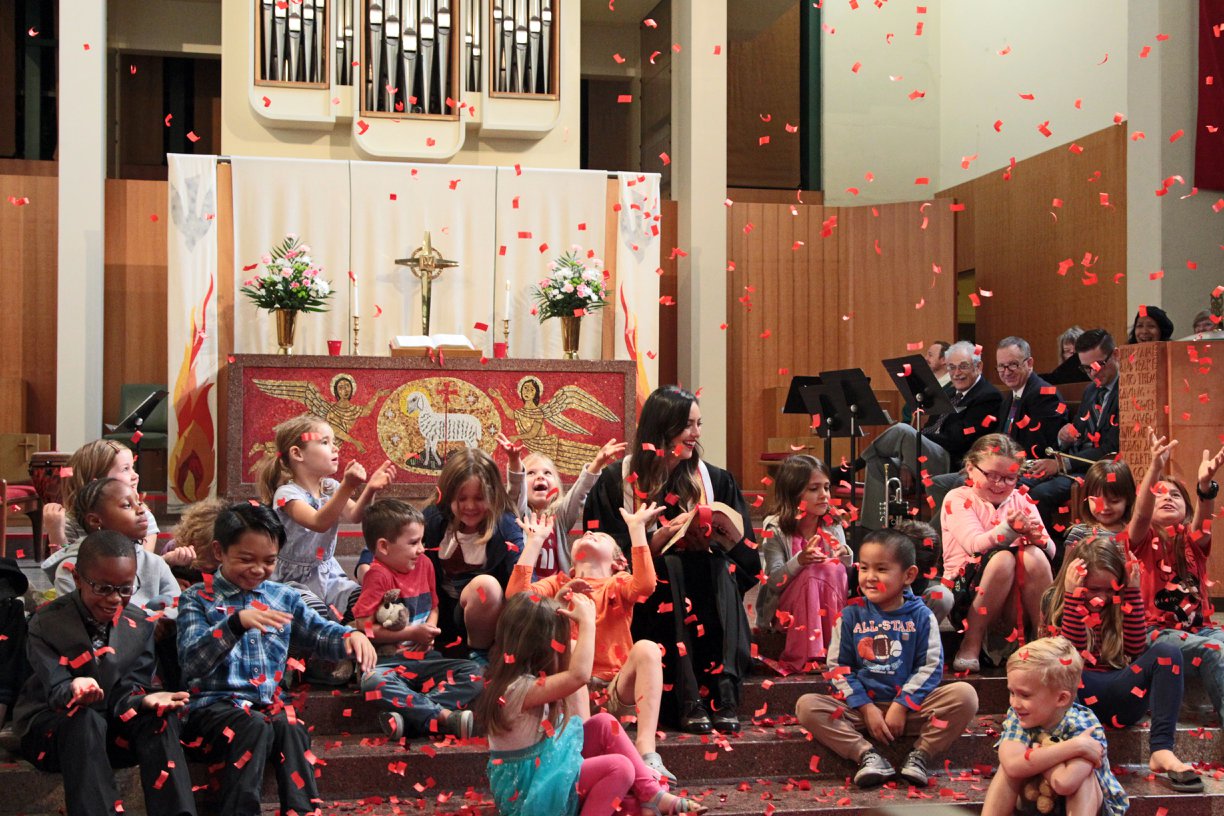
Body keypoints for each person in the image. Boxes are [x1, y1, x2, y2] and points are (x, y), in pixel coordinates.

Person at [177, 502, 377, 816]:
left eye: (269, 561)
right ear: (219, 551)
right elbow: (192, 661)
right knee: (252, 725)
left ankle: (302, 811)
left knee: (292, 726)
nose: (258, 570)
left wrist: (352, 637)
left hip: (266, 704)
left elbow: (318, 632)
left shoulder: (281, 596)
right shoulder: (197, 598)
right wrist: (234, 623)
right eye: (246, 559)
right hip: (213, 708)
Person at [584, 385, 757, 734]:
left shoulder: (716, 480)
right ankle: (688, 697)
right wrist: (652, 541)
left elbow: (751, 566)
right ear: (661, 428)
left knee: (719, 566)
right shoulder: (616, 482)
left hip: (710, 591)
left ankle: (724, 691)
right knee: (671, 566)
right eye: (687, 425)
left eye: (698, 424)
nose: (696, 434)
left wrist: (727, 539)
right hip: (648, 598)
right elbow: (600, 555)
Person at [475, 592, 707, 816]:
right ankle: (648, 798)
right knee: (620, 768)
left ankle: (651, 795)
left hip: (546, 770)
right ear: (542, 647)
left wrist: (556, 603)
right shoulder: (518, 689)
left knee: (605, 723)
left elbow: (533, 627)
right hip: (533, 792)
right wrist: (588, 623)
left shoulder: (518, 681)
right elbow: (579, 676)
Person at [14, 531, 196, 816]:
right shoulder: (47, 622)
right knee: (84, 719)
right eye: (103, 588)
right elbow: (55, 685)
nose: (114, 599)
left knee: (159, 717)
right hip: (55, 728)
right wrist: (75, 686)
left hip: (112, 728)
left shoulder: (139, 622)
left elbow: (131, 688)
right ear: (77, 579)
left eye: (125, 588)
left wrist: (143, 700)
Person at [794, 529, 978, 789]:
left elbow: (931, 666)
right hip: (860, 710)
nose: (870, 577)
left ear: (908, 575)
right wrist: (866, 708)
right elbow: (838, 669)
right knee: (807, 706)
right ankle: (867, 755)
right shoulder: (849, 616)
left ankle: (920, 755)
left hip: (911, 710)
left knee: (965, 696)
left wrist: (902, 704)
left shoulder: (922, 616)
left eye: (881, 569)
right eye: (864, 568)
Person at [509, 505, 676, 784]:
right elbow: (517, 597)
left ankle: (646, 751)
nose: (588, 532)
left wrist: (636, 530)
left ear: (618, 562)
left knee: (647, 647)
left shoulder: (618, 582)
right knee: (572, 647)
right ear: (572, 565)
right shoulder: (559, 582)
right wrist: (535, 542)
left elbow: (646, 585)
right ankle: (585, 751)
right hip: (570, 692)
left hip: (613, 688)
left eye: (598, 535)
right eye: (585, 533)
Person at [1040, 536, 1200, 790]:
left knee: (1168, 652)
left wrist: (1132, 593)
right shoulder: (1056, 600)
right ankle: (1073, 750)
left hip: (1120, 692)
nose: (1102, 597)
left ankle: (1161, 750)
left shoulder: (1123, 599)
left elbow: (1135, 648)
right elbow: (1071, 653)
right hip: (1076, 695)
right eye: (1093, 589)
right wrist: (1074, 598)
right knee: (1062, 667)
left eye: (1110, 589)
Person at [353, 499, 483, 741]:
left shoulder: (424, 564)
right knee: (371, 682)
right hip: (388, 661)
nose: (422, 548)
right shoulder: (377, 575)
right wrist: (411, 633)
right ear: (384, 546)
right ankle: (444, 717)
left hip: (425, 658)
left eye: (422, 541)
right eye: (413, 543)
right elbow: (363, 626)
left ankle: (413, 719)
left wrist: (430, 629)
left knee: (476, 673)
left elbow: (434, 605)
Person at [1126, 427, 1224, 718]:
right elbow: (1141, 515)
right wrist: (1156, 467)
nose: (1167, 498)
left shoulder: (1193, 541)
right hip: (1152, 632)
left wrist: (1205, 486)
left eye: (1175, 496)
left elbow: (1204, 516)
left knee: (1212, 643)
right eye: (1159, 495)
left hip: (1199, 629)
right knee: (1214, 651)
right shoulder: (1139, 540)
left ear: (1186, 510)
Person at [259, 413, 397, 620]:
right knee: (313, 611)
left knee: (365, 601)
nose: (335, 448)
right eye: (325, 442)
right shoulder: (286, 495)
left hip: (328, 574)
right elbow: (318, 522)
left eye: (334, 442)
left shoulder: (330, 487)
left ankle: (354, 639)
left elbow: (356, 515)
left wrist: (370, 489)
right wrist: (348, 486)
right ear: (297, 453)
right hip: (293, 579)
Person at [858, 341, 1003, 530]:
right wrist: (906, 462)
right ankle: (874, 530)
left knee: (903, 430)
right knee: (878, 463)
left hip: (953, 462)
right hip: (928, 458)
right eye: (952, 367)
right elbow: (929, 429)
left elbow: (958, 440)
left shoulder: (988, 396)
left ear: (979, 366)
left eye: (963, 366)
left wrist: (916, 441)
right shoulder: (950, 393)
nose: (957, 373)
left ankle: (855, 464)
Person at [942, 434, 1054, 673]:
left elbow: (1052, 551)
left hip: (1016, 602)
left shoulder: (1022, 500)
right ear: (971, 468)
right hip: (967, 597)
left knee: (1034, 554)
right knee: (1002, 558)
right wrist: (1010, 530)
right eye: (992, 475)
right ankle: (971, 641)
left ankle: (1044, 638)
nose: (1000, 484)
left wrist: (1037, 539)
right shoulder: (958, 498)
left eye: (1009, 478)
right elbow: (974, 544)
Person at [982, 637, 1127, 816]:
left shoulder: (1084, 725)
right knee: (1006, 770)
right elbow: (1012, 765)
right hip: (1035, 797)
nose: (1015, 703)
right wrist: (1075, 747)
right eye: (1012, 692)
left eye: (1025, 695)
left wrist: (1039, 756)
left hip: (1082, 804)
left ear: (1061, 699)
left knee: (1085, 780)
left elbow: (1065, 783)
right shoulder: (1018, 715)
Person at [928, 337, 1063, 513]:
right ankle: (949, 536)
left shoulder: (1043, 394)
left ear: (1029, 363)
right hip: (1003, 466)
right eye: (1001, 366)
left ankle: (948, 537)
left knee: (963, 482)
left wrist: (993, 468)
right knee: (938, 483)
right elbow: (1000, 439)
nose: (1006, 372)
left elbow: (1037, 447)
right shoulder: (1011, 396)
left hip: (1028, 469)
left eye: (1012, 365)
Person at [423, 447, 524, 663]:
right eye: (462, 498)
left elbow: (522, 577)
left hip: (487, 624)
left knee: (485, 586)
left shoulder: (505, 526)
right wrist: (367, 565)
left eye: (479, 498)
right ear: (448, 495)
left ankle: (480, 655)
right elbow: (396, 536)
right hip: (439, 617)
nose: (470, 506)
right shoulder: (433, 520)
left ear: (493, 495)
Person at [757, 454, 851, 674]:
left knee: (832, 567)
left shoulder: (833, 523)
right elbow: (773, 582)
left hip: (830, 601)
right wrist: (799, 561)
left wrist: (845, 553)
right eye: (814, 489)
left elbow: (845, 576)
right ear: (793, 493)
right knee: (811, 572)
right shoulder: (775, 528)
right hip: (787, 609)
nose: (824, 495)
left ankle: (834, 650)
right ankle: (809, 655)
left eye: (826, 488)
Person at [1022, 329, 1122, 535]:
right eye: (1086, 368)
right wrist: (1063, 435)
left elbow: (1111, 448)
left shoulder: (1127, 390)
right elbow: (1077, 431)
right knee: (1019, 484)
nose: (1093, 373)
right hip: (1075, 461)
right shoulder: (1091, 390)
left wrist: (1061, 462)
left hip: (1101, 469)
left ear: (1116, 355)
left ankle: (1049, 553)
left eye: (1098, 365)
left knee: (1038, 494)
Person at [503, 433, 627, 579]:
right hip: (528, 590)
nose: (540, 476)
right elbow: (515, 491)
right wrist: (514, 462)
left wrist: (597, 463)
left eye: (547, 473)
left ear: (556, 485)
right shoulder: (520, 516)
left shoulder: (559, 519)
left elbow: (579, 492)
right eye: (530, 473)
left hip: (556, 592)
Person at [45, 478, 179, 610]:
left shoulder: (155, 564)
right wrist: (146, 623)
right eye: (127, 505)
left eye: (139, 502)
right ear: (95, 520)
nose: (141, 510)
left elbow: (178, 607)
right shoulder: (72, 568)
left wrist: (165, 620)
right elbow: (73, 620)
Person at [41, 438, 178, 561]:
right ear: (98, 482)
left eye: (133, 467)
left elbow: (143, 568)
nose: (135, 475)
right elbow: (61, 575)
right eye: (125, 469)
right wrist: (56, 533)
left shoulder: (143, 516)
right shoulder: (70, 522)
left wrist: (167, 561)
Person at [1061, 460, 1135, 549]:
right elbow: (1067, 562)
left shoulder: (1134, 533)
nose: (1105, 507)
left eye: (1114, 501)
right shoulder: (1080, 533)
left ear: (1128, 499)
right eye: (1097, 501)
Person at [161, 497, 228, 588]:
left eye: (215, 558)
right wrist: (172, 581)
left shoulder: (234, 558)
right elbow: (155, 579)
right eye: (204, 555)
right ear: (192, 540)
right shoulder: (174, 548)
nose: (209, 565)